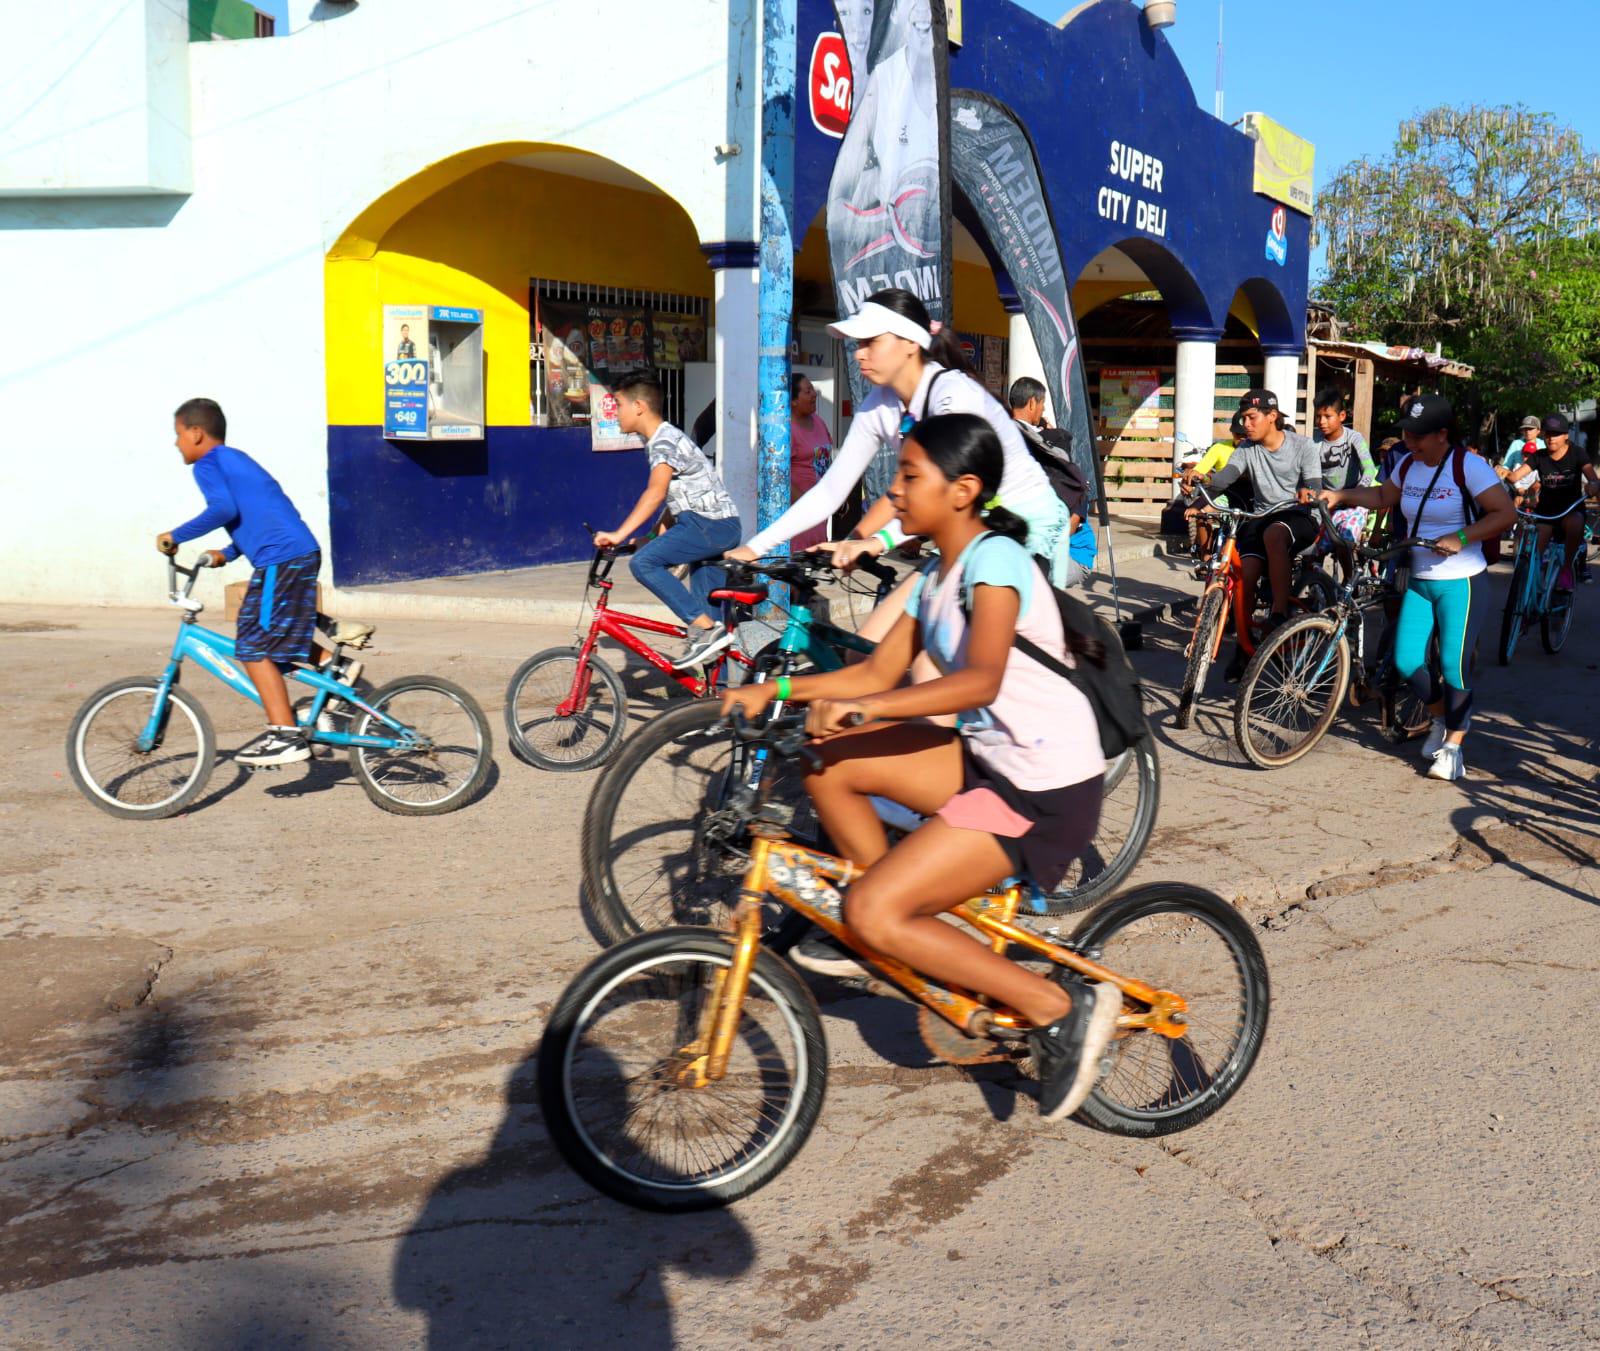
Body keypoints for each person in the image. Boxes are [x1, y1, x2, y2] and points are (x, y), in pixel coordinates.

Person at [721, 413, 1120, 1120]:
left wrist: (869, 710)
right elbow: (875, 671)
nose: (895, 491)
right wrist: (777, 689)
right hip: (989, 760)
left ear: (962, 490)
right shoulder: (938, 572)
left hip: (1042, 784)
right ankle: (891, 933)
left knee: (873, 907)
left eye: (909, 476)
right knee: (828, 761)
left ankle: (1059, 1007)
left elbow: (979, 682)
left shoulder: (995, 563)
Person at [726, 289, 1069, 593]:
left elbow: (943, 493)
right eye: (858, 344)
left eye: (871, 342)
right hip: (966, 528)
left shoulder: (953, 397)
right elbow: (832, 491)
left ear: (910, 343)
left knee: (991, 637)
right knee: (895, 627)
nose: (859, 354)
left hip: (1025, 523)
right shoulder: (879, 404)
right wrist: (757, 548)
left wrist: (877, 542)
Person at [1319, 395, 1515, 782]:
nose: (1409, 441)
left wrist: (1462, 536)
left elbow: (1505, 513)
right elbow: (1381, 497)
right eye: (1406, 433)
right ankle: (1440, 720)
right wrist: (1340, 496)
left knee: (1454, 666)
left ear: (1442, 434)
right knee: (1407, 661)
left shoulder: (1467, 466)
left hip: (1462, 582)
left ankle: (1454, 748)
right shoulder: (1408, 464)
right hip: (1420, 580)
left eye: (1418, 435)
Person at [156, 398, 323, 767]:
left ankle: (285, 735)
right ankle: (332, 666)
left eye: (178, 434)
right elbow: (260, 514)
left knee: (252, 644)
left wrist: (176, 536)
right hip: (295, 552)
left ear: (196, 433)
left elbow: (224, 510)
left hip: (282, 558)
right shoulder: (236, 459)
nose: (176, 443)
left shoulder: (208, 464)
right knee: (272, 635)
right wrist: (228, 553)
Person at [591, 372, 744, 669]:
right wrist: (651, 537)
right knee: (710, 628)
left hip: (708, 527)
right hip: (712, 526)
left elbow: (656, 492)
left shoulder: (663, 442)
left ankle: (704, 629)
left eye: (618, 404)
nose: (615, 412)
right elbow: (677, 501)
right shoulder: (664, 438)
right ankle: (720, 688)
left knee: (644, 563)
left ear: (639, 406)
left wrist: (619, 534)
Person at [1187, 389, 1322, 679]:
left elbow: (1314, 484)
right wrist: (1198, 499)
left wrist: (1307, 491)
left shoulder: (1303, 445)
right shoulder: (1247, 449)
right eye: (1243, 418)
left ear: (1272, 416)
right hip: (1260, 516)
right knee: (1245, 574)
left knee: (1275, 534)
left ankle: (1279, 613)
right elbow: (1224, 478)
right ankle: (1244, 645)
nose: (1245, 424)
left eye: (1251, 417)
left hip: (1297, 516)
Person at [1007, 375, 1097, 586]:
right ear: (1032, 403)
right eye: (1043, 404)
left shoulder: (1068, 479)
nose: (1044, 410)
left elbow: (1069, 527)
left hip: (1070, 554)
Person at [1518, 413, 1599, 592]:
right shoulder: (1538, 456)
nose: (1551, 438)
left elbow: (1593, 480)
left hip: (1571, 510)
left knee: (1576, 523)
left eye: (1556, 434)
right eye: (1547, 434)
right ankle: (1530, 592)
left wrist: (1593, 485)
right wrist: (1501, 473)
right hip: (1546, 512)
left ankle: (1567, 569)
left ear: (1565, 436)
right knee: (1535, 556)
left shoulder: (1577, 453)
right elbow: (1515, 476)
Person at [1312, 386, 1376, 544]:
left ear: (1342, 416)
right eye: (1318, 416)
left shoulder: (1354, 438)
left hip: (1354, 502)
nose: (1321, 422)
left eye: (1327, 416)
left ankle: (1349, 561)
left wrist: (1359, 491)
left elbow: (1369, 468)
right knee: (1312, 548)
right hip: (1326, 504)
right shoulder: (1314, 441)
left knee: (1345, 542)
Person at [788, 373, 835, 552]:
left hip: (820, 517)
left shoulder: (819, 421)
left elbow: (827, 458)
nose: (814, 394)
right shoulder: (786, 430)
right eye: (807, 391)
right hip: (799, 519)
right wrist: (806, 505)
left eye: (813, 389)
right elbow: (778, 477)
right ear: (793, 401)